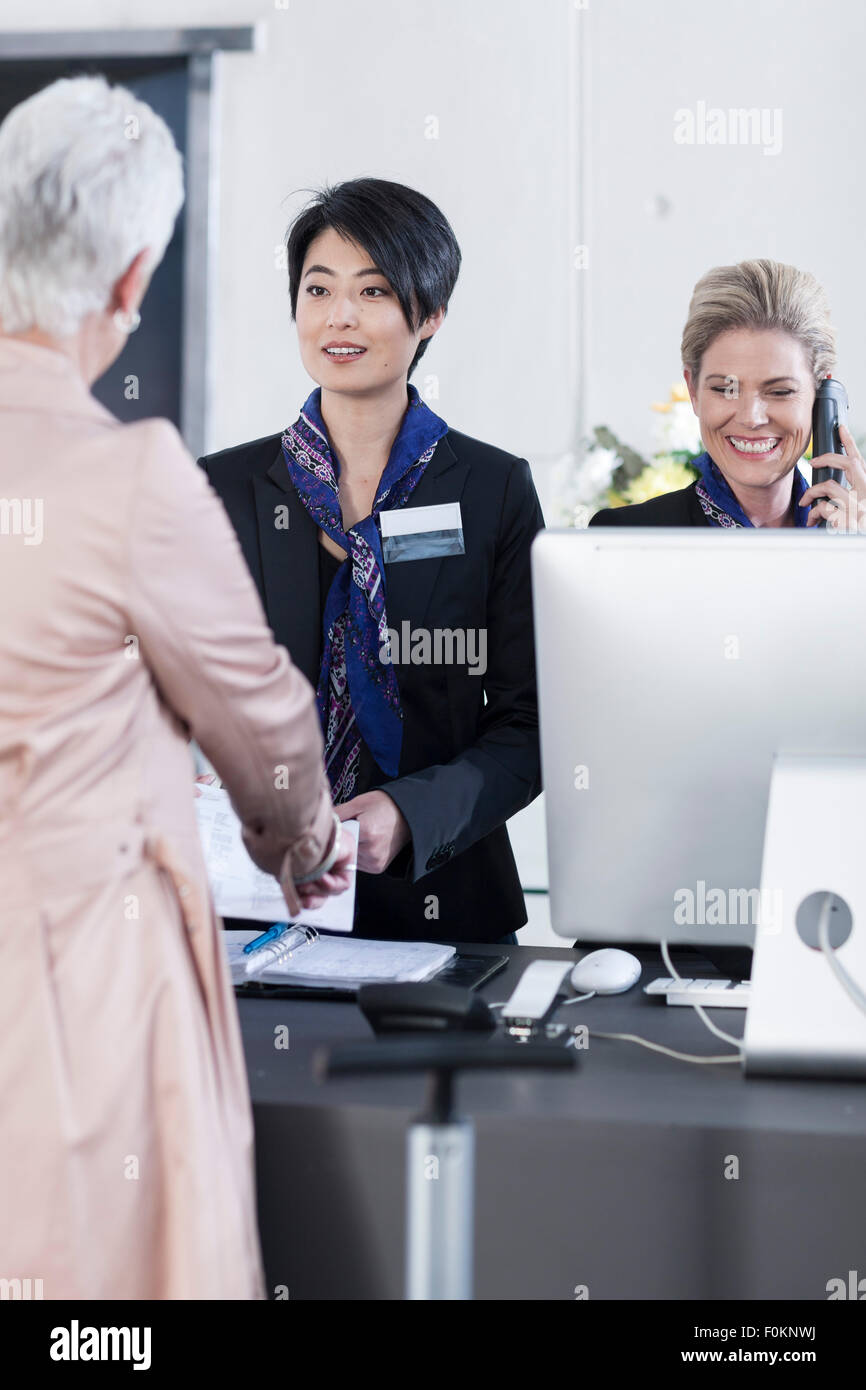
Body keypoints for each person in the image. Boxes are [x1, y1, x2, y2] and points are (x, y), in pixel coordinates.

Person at [0, 75, 352, 1299]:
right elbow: (264, 719)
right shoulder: (131, 478)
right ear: (133, 277)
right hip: (74, 990)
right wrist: (302, 844)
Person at [199, 178, 544, 945]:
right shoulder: (220, 489)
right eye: (318, 289)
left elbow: (530, 725)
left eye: (373, 291)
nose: (339, 316)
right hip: (251, 900)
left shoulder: (492, 490)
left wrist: (412, 813)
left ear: (428, 315)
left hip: (442, 900)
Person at [590, 258, 866, 530]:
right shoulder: (625, 536)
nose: (751, 417)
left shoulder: (851, 537)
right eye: (725, 389)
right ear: (693, 390)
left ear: (822, 396)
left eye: (780, 391)